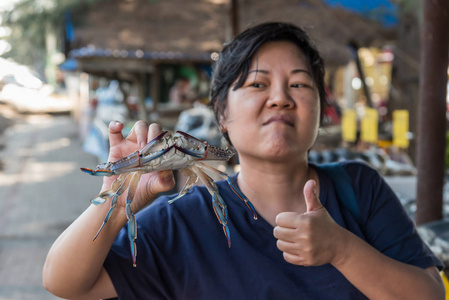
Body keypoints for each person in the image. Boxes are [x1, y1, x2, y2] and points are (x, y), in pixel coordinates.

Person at [43, 22, 445, 299]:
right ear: (222, 114)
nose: (280, 97)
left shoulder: (359, 188)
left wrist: (343, 250)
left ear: (321, 110)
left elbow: (429, 293)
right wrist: (114, 203)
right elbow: (65, 284)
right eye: (258, 84)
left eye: (300, 84)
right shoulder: (181, 221)